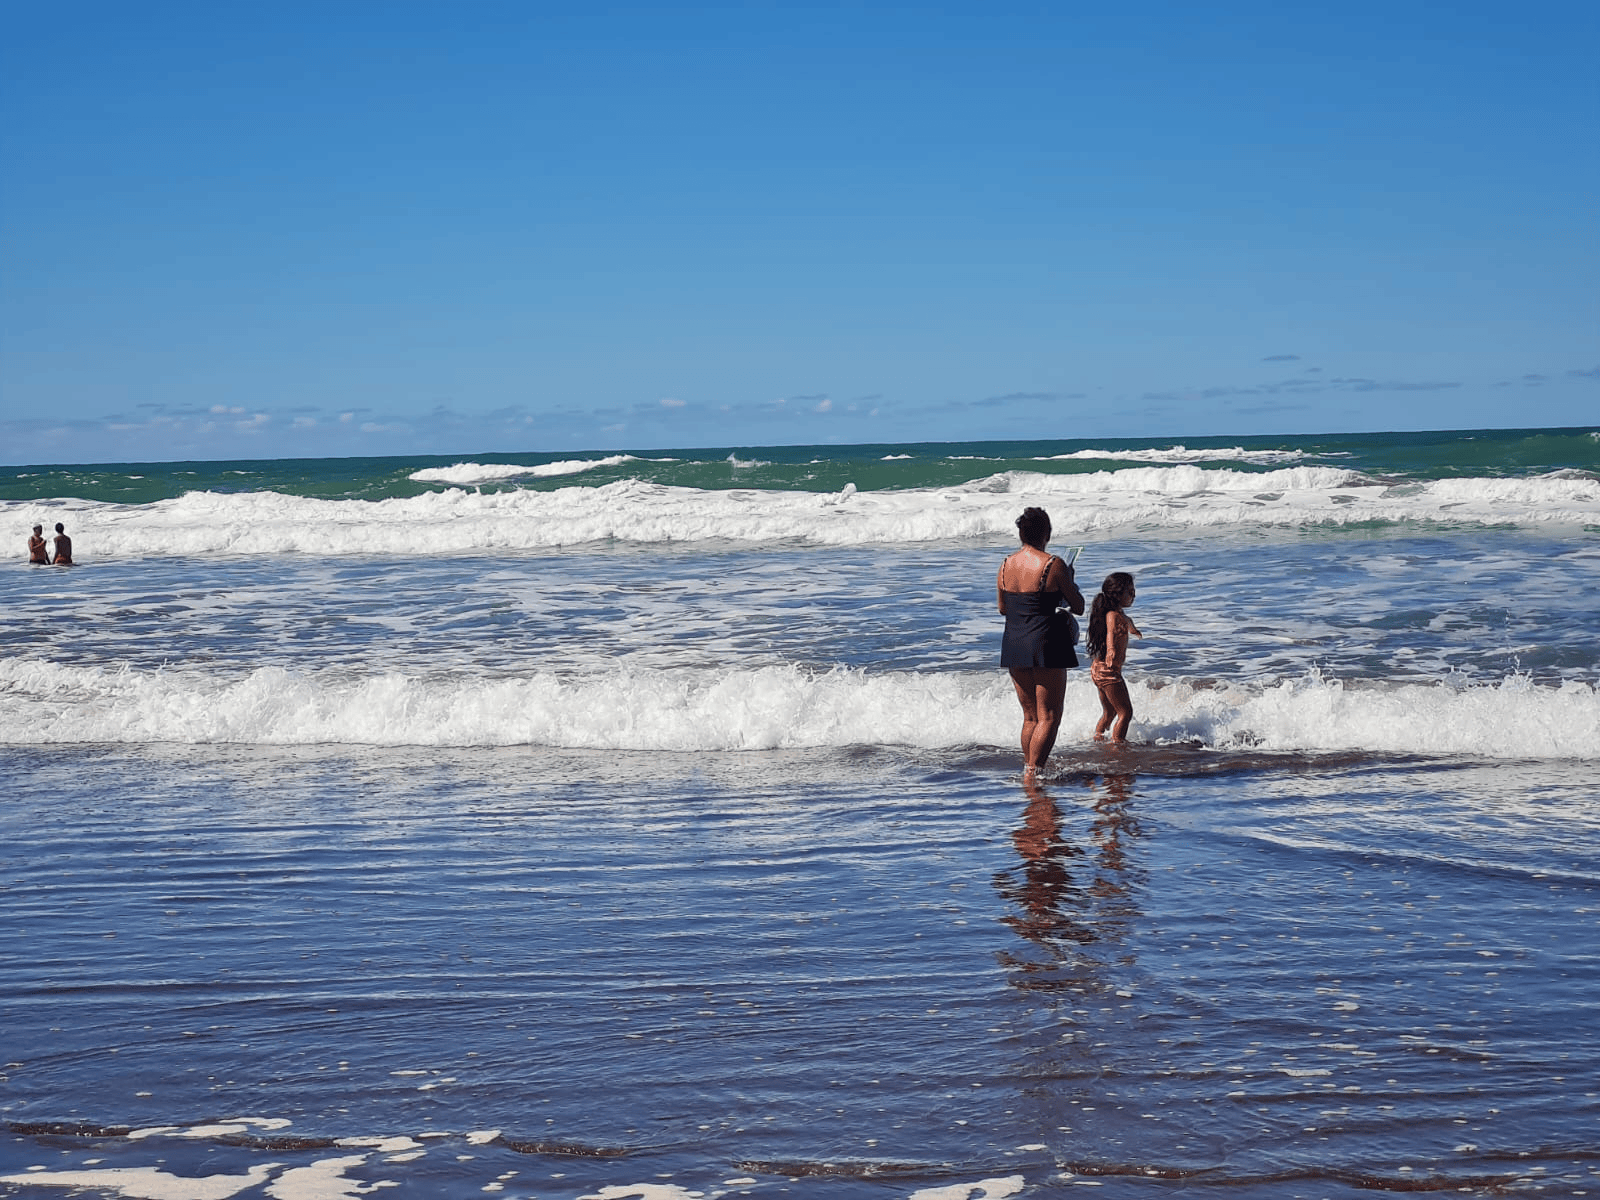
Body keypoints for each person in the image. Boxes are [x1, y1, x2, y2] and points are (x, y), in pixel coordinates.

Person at [997, 506, 1084, 777]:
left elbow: (1003, 608)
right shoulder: (1052, 564)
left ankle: (1029, 769)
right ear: (1047, 533)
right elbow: (1078, 606)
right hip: (1046, 640)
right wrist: (1070, 582)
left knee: (1030, 717)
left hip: (1014, 641)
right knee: (1049, 716)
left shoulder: (1005, 564)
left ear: (1021, 534)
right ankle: (1033, 775)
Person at [1087, 572, 1142, 743]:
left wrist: (1133, 629)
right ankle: (1117, 745)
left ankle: (1098, 737)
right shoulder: (1113, 615)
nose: (1133, 596)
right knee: (1125, 713)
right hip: (1108, 670)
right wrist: (1111, 650)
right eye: (1130, 592)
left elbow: (1127, 621)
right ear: (1117, 594)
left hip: (1099, 669)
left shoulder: (1119, 615)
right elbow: (1111, 632)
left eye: (1134, 592)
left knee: (1109, 712)